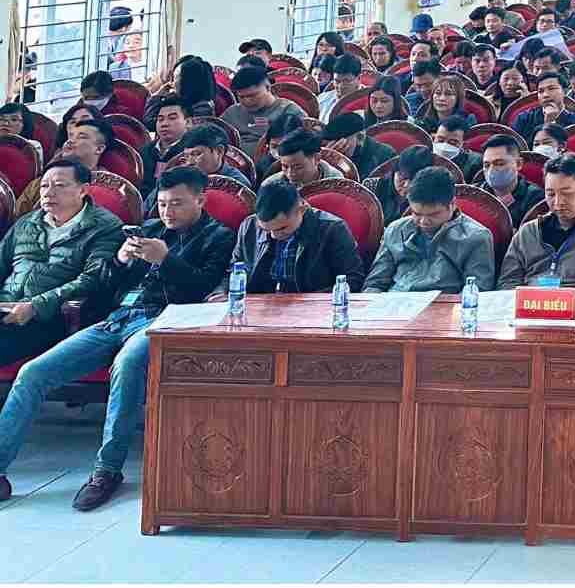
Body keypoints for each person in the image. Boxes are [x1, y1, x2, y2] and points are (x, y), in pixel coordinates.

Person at [0, 165, 231, 508]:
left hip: (165, 321)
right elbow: (103, 282)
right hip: (117, 317)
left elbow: (202, 289)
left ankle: (107, 469)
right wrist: (121, 260)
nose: (168, 212)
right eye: (163, 204)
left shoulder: (220, 236)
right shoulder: (150, 228)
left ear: (200, 200)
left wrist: (166, 260)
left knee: (126, 365)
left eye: (178, 204)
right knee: (33, 373)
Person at [0, 160, 125, 369]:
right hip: (5, 310)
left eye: (59, 185)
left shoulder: (105, 228)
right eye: (44, 186)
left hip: (51, 318)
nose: (49, 193)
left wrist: (35, 306)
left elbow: (92, 279)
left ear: (83, 189)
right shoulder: (27, 222)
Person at [497, 154, 575, 301]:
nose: (558, 202)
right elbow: (507, 282)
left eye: (567, 193)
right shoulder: (528, 232)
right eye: (550, 194)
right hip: (529, 309)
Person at [362, 167, 495, 293]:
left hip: (445, 308)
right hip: (395, 305)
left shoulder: (476, 237)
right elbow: (375, 283)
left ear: (452, 205)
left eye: (433, 215)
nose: (423, 222)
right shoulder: (395, 230)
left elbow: (477, 291)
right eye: (416, 214)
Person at [232, 179, 364, 294]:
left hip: (312, 308)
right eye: (266, 230)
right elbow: (234, 269)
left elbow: (352, 280)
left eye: (282, 228)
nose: (274, 236)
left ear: (302, 209)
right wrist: (221, 293)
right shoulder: (249, 226)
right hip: (260, 306)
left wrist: (306, 302)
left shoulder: (332, 229)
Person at [220, 65, 305, 154]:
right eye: (241, 97)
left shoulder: (289, 111)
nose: (247, 101)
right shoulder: (232, 113)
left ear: (268, 87)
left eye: (252, 95)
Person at [369, 145, 434, 227]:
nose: (406, 185)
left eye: (413, 180)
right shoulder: (372, 187)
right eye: (402, 178)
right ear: (394, 172)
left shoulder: (431, 199)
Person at [322, 112, 395, 183]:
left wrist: (344, 162)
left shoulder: (384, 156)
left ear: (360, 137)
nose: (335, 145)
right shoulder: (326, 155)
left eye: (339, 140)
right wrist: (330, 164)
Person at [512, 72, 575, 142]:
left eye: (551, 89)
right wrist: (547, 123)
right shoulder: (524, 118)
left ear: (564, 91)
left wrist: (551, 124)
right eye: (541, 91)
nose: (545, 95)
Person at [263, 129, 343, 188]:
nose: (290, 174)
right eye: (285, 167)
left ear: (316, 159)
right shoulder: (272, 185)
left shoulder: (336, 183)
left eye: (298, 167)